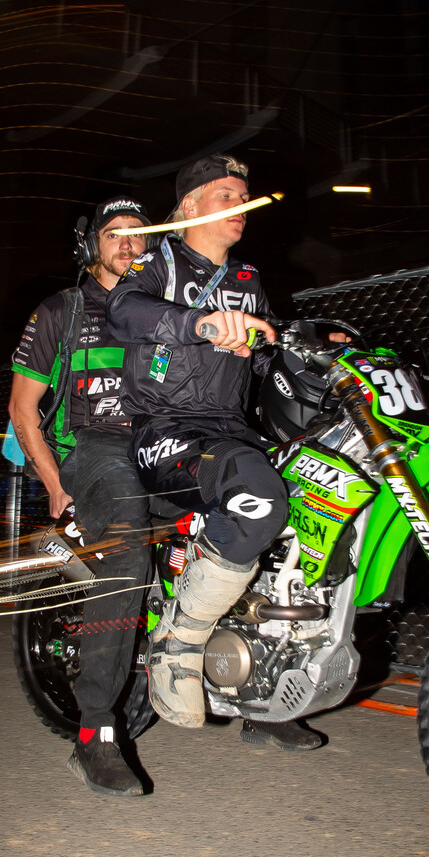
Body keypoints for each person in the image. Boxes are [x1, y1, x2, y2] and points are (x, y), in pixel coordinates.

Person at [106, 153, 325, 751]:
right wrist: (200, 323)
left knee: (316, 498)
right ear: (190, 205)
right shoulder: (156, 261)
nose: (241, 205)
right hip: (165, 431)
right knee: (258, 499)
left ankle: (268, 688)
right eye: (226, 194)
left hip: (231, 430)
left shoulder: (247, 280)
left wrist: (299, 343)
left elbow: (266, 347)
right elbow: (123, 310)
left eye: (244, 196)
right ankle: (177, 642)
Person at [8, 198, 153, 796]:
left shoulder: (170, 308)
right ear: (91, 245)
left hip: (163, 446)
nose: (127, 243)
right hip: (91, 449)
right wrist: (53, 482)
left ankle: (266, 693)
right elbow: (22, 409)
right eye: (113, 234)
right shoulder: (61, 311)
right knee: (128, 545)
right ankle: (94, 731)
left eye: (138, 233)